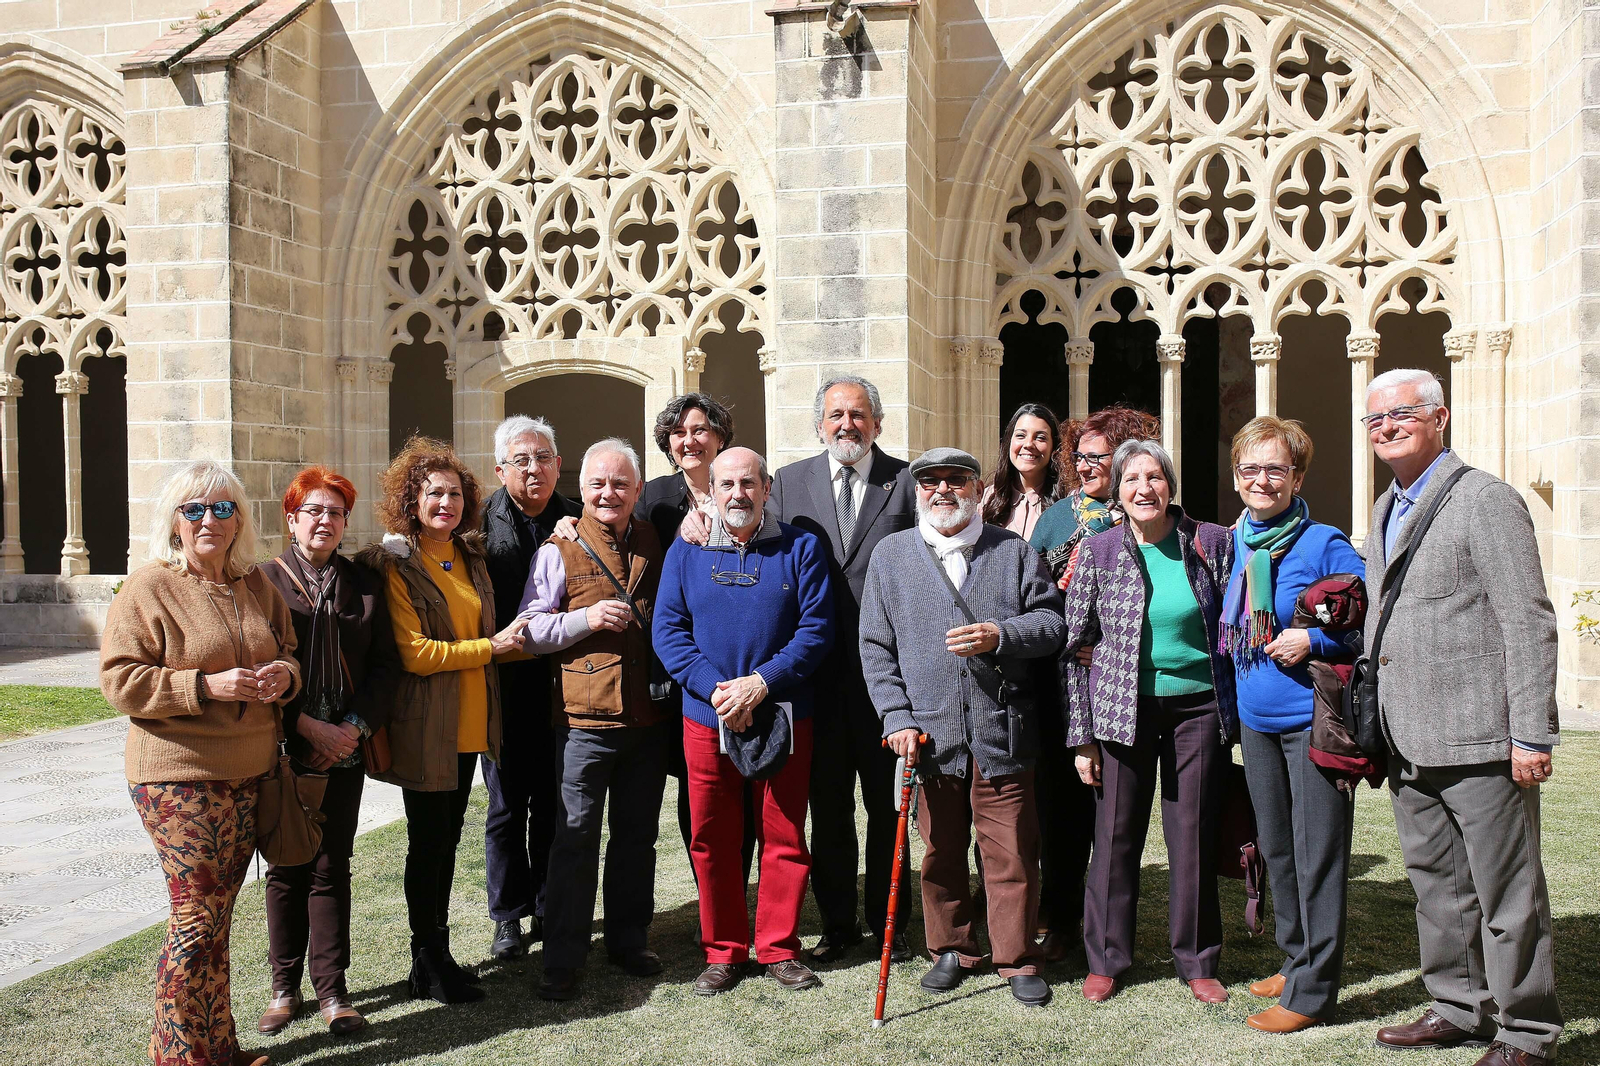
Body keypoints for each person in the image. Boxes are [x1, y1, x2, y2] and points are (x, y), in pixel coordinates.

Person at [1362, 369, 1562, 1066]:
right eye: (1374, 419)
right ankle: (1459, 1006)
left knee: (1508, 898)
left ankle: (1527, 1033)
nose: (1385, 426)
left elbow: (1528, 620)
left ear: (1439, 418)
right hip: (1409, 741)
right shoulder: (1385, 509)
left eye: (1401, 414)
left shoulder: (1485, 500)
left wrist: (1530, 733)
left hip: (1482, 738)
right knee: (1439, 893)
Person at [101, 459, 300, 1066]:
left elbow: (289, 650)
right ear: (175, 522)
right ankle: (179, 1059)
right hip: (177, 780)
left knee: (216, 923)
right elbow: (120, 681)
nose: (209, 520)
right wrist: (207, 688)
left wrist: (280, 677)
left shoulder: (257, 584)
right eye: (194, 510)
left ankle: (219, 1048)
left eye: (222, 508)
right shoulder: (149, 587)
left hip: (249, 773)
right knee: (194, 921)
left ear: (240, 519)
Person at [860, 447, 1065, 1007]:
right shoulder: (891, 557)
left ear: (977, 489)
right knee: (941, 848)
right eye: (931, 482)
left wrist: (1001, 634)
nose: (943, 490)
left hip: (1002, 731)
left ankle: (1016, 955)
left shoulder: (1012, 550)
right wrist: (896, 718)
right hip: (929, 736)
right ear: (916, 490)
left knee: (1013, 851)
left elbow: (1052, 623)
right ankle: (951, 947)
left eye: (957, 480)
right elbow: (875, 647)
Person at [653, 447, 835, 995]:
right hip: (706, 718)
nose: (738, 494)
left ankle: (779, 947)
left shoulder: (801, 548)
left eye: (748, 483)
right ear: (710, 490)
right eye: (726, 484)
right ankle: (724, 950)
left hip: (781, 714)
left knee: (783, 833)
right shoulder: (685, 551)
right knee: (713, 836)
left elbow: (816, 630)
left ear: (767, 487)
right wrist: (717, 689)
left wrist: (762, 684)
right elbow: (668, 632)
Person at [1060, 439, 1236, 1005]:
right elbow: (1074, 646)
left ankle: (1197, 959)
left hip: (1197, 709)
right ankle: (1107, 958)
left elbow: (1233, 625)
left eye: (1155, 476)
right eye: (1131, 478)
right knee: (1114, 838)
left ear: (1170, 485)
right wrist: (1082, 736)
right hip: (1120, 709)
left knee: (1193, 836)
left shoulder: (1209, 542)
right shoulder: (1098, 550)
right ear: (1117, 488)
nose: (1144, 488)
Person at [361, 436, 526, 1005]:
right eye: (433, 493)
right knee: (427, 844)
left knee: (447, 841)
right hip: (428, 726)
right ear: (412, 500)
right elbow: (416, 653)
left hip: (471, 724)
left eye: (455, 494)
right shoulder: (399, 565)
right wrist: (492, 647)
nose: (446, 504)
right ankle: (432, 957)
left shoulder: (470, 555)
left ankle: (428, 958)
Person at [1218, 419, 1365, 1034]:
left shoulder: (1324, 542)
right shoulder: (1239, 542)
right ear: (1236, 477)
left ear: (1297, 477)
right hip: (1257, 722)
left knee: (1318, 854)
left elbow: (1367, 615)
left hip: (1312, 723)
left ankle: (1312, 994)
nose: (1262, 480)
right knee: (1278, 848)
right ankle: (1297, 958)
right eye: (1250, 469)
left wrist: (1313, 636)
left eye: (1275, 469)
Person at [765, 374, 918, 962]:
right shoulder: (788, 483)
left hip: (888, 681)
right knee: (828, 808)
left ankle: (891, 924)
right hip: (817, 681)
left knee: (888, 810)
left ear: (877, 423)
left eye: (858, 415)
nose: (846, 425)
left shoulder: (904, 482)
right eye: (836, 415)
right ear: (819, 423)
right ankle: (835, 926)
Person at [518, 438, 669, 1001]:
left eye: (621, 484)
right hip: (582, 722)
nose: (610, 494)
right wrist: (583, 618)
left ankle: (629, 940)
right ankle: (563, 956)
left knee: (637, 838)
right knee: (573, 841)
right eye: (599, 484)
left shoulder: (655, 537)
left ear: (637, 489)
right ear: (582, 490)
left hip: (646, 720)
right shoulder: (559, 547)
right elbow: (530, 631)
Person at [258, 466, 401, 1038]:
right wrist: (307, 727)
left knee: (329, 865)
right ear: (291, 519)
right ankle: (282, 989)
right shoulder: (264, 582)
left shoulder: (363, 584)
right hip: (284, 748)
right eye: (313, 511)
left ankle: (333, 991)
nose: (324, 521)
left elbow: (387, 665)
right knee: (285, 866)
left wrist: (353, 727)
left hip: (345, 747)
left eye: (335, 512)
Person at [1027, 404, 1159, 961]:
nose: (1085, 467)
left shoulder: (1146, 514)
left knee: (1106, 807)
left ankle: (1102, 917)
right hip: (1058, 680)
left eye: (1098, 458)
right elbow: (1030, 588)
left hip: (1117, 679)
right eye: (1078, 457)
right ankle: (1058, 916)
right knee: (1059, 806)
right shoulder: (1056, 518)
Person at [479, 415, 582, 961]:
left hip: (564, 686)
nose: (534, 468)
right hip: (503, 687)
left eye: (543, 457)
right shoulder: (476, 527)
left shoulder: (578, 517)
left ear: (558, 464)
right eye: (521, 460)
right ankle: (508, 917)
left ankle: (547, 904)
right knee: (503, 807)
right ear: (501, 470)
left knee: (554, 805)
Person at [980, 403, 1064, 539]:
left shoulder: (1067, 501)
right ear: (1009, 442)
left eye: (1040, 437)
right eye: (1021, 435)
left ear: (1054, 447)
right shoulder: (987, 500)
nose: (1029, 444)